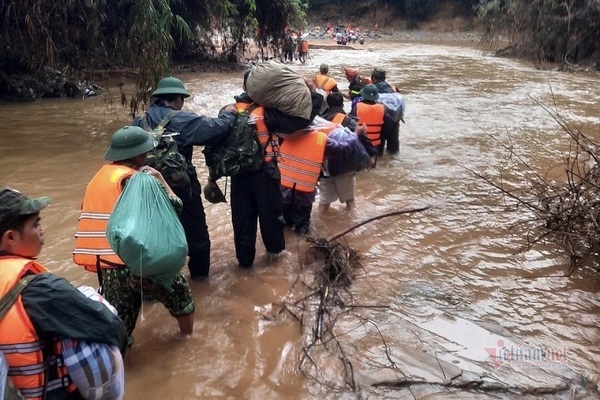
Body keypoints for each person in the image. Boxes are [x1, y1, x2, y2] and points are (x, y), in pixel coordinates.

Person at [0, 187, 127, 400]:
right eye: (36, 224)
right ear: (10, 237)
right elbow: (111, 328)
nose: (42, 230)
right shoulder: (40, 289)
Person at [73, 126, 196, 340]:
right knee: (181, 295)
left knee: (119, 326)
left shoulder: (99, 178)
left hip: (107, 266)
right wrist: (161, 179)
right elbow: (174, 206)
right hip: (137, 261)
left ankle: (124, 366)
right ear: (139, 154)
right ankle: (187, 340)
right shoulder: (137, 180)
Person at [132, 76, 237, 281]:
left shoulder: (140, 121)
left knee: (154, 237)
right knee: (197, 237)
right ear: (179, 99)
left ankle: (155, 283)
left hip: (148, 189)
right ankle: (199, 280)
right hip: (182, 189)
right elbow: (215, 130)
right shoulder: (181, 118)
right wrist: (228, 114)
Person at [224, 71, 325, 268]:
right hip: (265, 173)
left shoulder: (229, 110)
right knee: (271, 217)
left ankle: (244, 265)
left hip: (238, 175)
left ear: (245, 88)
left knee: (242, 220)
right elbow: (302, 120)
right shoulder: (268, 113)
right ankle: (275, 261)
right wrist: (313, 94)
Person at [319, 92, 378, 212]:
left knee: (324, 202)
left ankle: (320, 225)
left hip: (324, 167)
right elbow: (363, 138)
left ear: (328, 105)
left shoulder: (320, 120)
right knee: (349, 200)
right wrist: (372, 155)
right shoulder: (348, 121)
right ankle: (352, 225)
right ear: (342, 104)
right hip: (344, 165)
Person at [348, 84, 395, 157]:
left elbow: (349, 124)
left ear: (363, 95)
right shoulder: (382, 108)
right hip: (375, 145)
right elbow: (389, 125)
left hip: (360, 145)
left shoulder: (357, 107)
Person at [370, 68, 401, 154]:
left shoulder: (372, 89)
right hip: (394, 121)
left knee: (379, 150)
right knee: (393, 151)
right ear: (384, 78)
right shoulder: (393, 88)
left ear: (374, 78)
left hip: (380, 122)